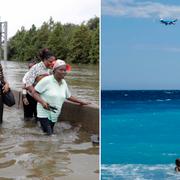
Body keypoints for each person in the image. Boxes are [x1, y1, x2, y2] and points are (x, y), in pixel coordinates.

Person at [33, 59, 89, 135]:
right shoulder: (46, 80)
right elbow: (34, 93)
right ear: (54, 70)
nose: (63, 72)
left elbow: (68, 96)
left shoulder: (64, 83)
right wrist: (42, 102)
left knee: (47, 133)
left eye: (65, 70)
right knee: (50, 135)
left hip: (55, 113)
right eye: (61, 70)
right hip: (44, 111)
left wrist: (81, 102)